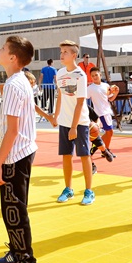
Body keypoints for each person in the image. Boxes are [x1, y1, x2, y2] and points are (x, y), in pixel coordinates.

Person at [0, 36, 40, 263]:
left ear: (12, 57)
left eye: (2, 48)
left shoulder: (12, 84)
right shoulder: (19, 82)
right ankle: (17, 253)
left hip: (15, 156)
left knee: (14, 212)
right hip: (21, 151)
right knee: (15, 209)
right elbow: (12, 126)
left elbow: (13, 129)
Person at [54, 40, 95, 205]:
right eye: (61, 51)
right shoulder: (60, 73)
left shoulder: (80, 75)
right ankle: (68, 189)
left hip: (80, 123)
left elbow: (80, 103)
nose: (62, 55)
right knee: (66, 156)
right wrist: (55, 116)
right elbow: (60, 96)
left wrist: (74, 127)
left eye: (65, 52)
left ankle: (89, 191)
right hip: (64, 122)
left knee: (84, 156)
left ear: (74, 55)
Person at [87, 68, 119, 152]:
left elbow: (110, 99)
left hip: (107, 112)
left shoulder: (106, 86)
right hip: (100, 113)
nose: (94, 77)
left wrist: (116, 93)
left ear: (100, 75)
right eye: (92, 76)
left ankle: (103, 148)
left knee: (109, 132)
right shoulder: (90, 88)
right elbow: (83, 98)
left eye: (96, 75)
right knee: (109, 132)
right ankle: (103, 149)